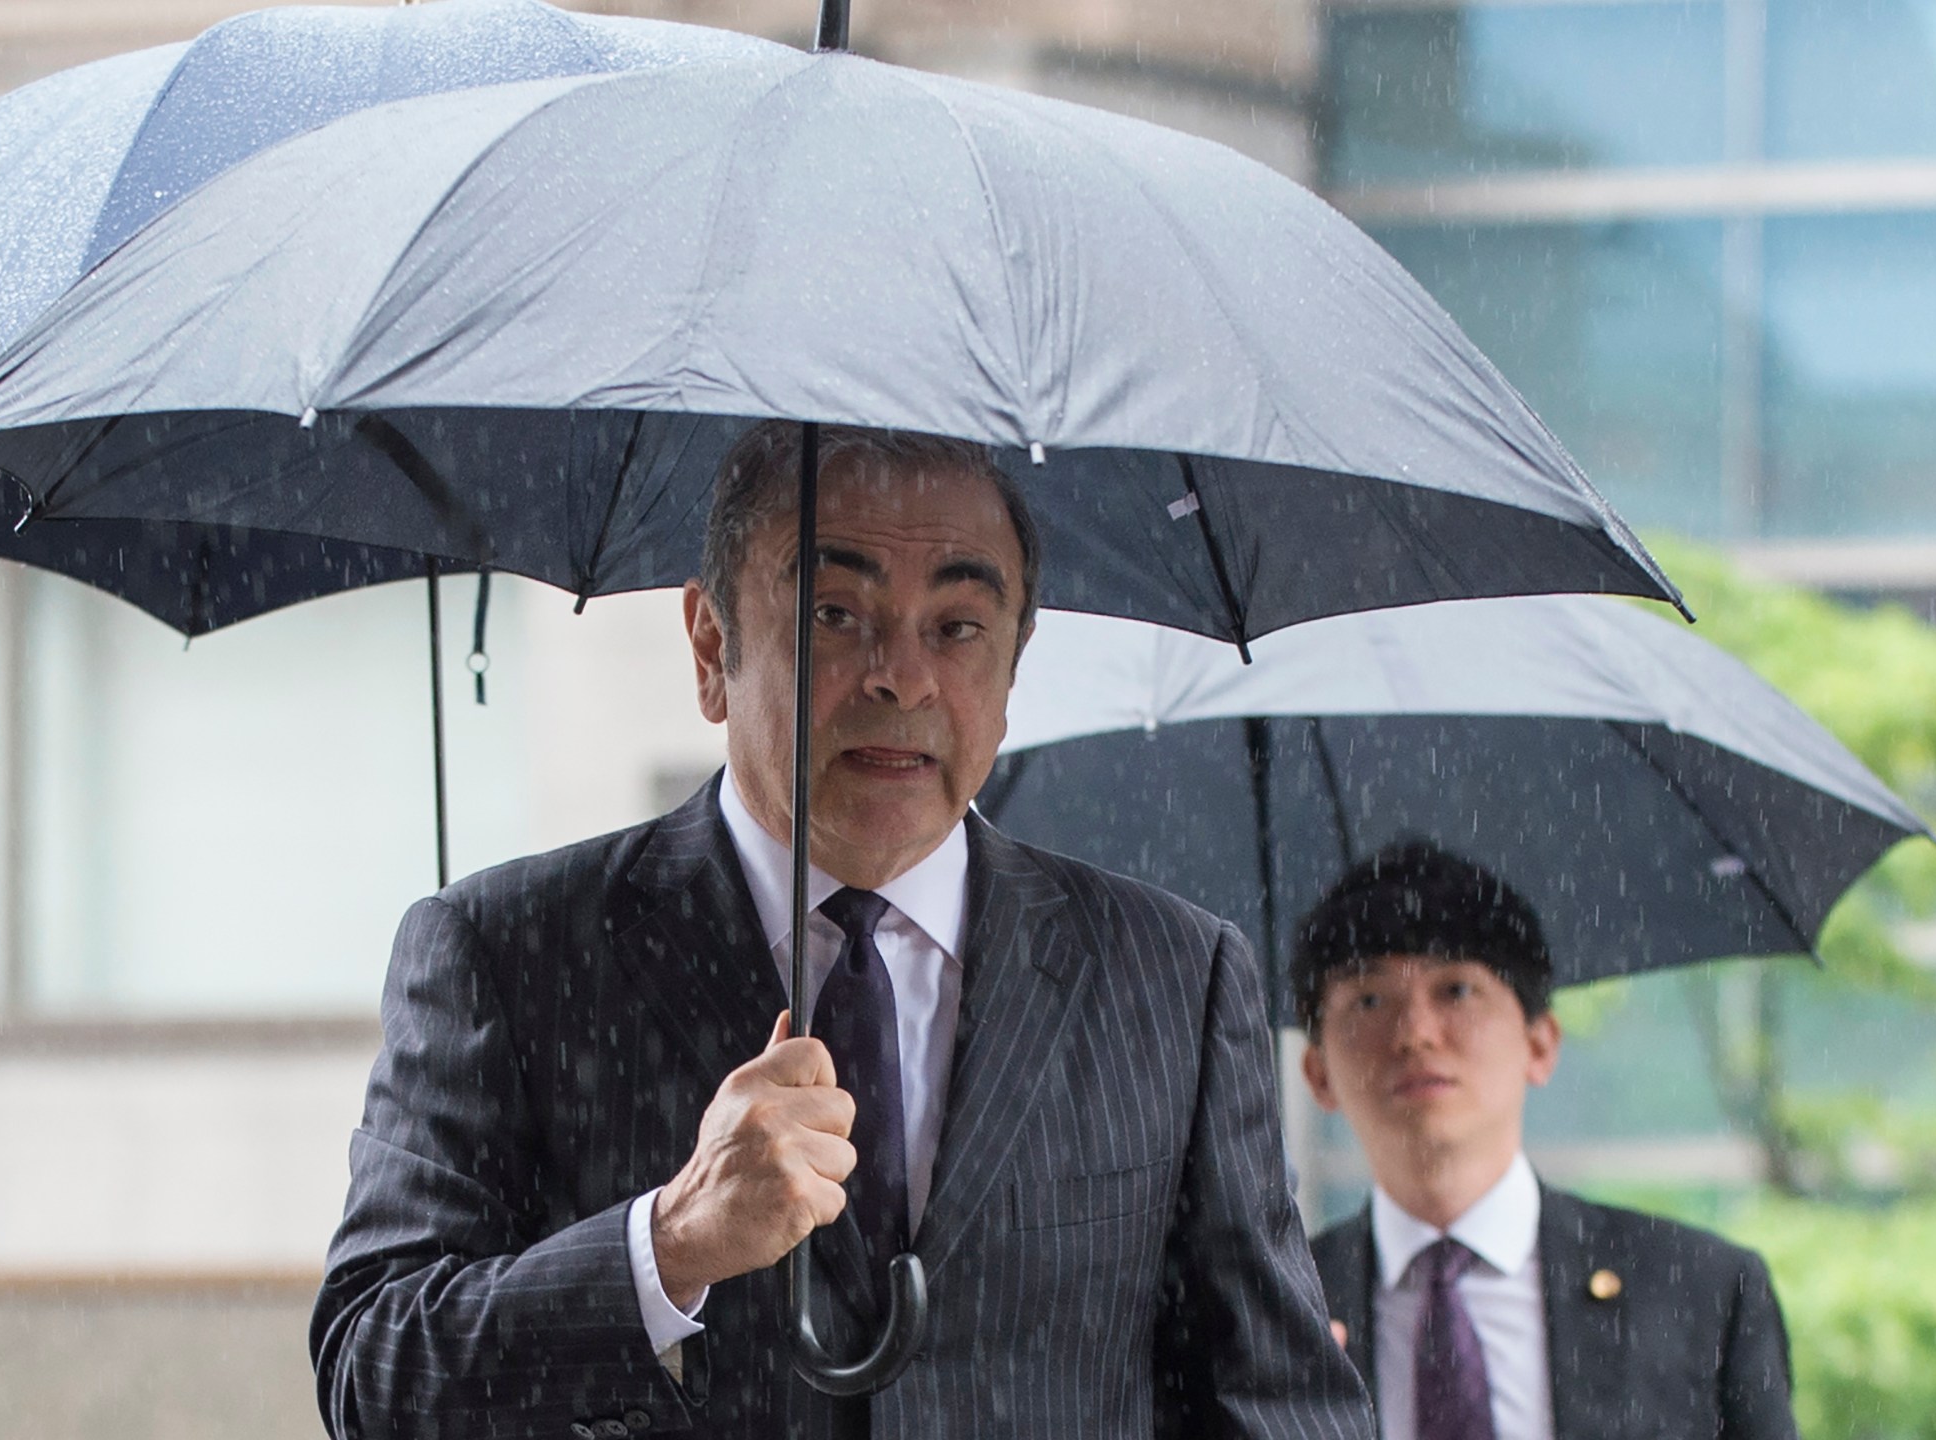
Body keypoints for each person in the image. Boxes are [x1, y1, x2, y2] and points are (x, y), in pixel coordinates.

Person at [311, 422, 1373, 1439]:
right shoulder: (506, 953)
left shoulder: (1170, 979)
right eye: (834, 613)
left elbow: (1275, 1407)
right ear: (710, 642)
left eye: (956, 628)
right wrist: (670, 1242)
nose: (899, 676)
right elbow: (373, 1374)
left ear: (1012, 668)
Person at [1292, 842, 1799, 1440]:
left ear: (1540, 1043)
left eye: (1456, 990)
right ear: (1318, 1073)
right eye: (1370, 1000)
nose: (1415, 1034)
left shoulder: (1701, 1293)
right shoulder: (1277, 1318)